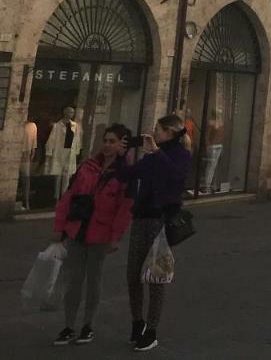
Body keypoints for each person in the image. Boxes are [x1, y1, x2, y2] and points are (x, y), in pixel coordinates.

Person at [52, 123, 134, 346]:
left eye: (112, 141)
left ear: (123, 144)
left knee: (94, 280)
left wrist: (116, 236)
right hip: (77, 229)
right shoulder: (88, 166)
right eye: (105, 140)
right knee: (73, 280)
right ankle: (68, 326)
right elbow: (70, 195)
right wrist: (60, 226)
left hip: (101, 232)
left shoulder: (125, 173)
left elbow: (124, 207)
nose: (107, 145)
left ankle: (88, 325)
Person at [115, 115, 191, 353]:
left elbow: (176, 177)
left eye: (157, 129)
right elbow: (129, 174)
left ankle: (152, 330)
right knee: (133, 274)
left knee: (155, 277)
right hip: (141, 218)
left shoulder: (179, 155)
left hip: (161, 220)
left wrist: (156, 152)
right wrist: (119, 155)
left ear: (170, 132)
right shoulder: (152, 156)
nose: (153, 132)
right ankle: (137, 322)